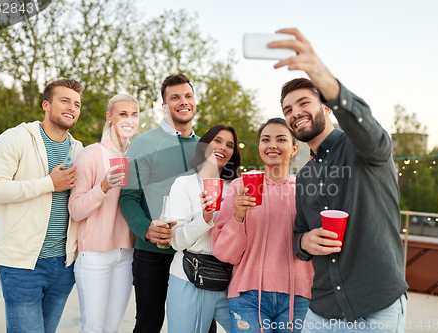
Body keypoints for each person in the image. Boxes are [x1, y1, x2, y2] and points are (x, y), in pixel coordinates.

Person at [270, 28, 408, 332]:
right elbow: (299, 235)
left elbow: (370, 131)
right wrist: (305, 241)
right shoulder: (304, 174)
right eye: (287, 110)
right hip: (321, 310)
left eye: (304, 102)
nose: (295, 113)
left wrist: (323, 78)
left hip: (377, 306)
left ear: (327, 106)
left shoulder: (362, 147)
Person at [0, 78, 84, 333]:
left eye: (77, 104)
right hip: (22, 265)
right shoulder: (16, 139)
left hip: (64, 265)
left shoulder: (79, 150)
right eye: (65, 101)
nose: (72, 107)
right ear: (46, 105)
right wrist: (47, 183)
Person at [212, 118, 315, 333]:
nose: (272, 145)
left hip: (298, 297)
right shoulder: (240, 187)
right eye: (265, 139)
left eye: (281, 139)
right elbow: (224, 253)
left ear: (294, 148)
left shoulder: (307, 190)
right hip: (248, 296)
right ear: (259, 146)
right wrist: (238, 216)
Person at [119, 74, 201, 333]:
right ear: (164, 105)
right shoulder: (143, 144)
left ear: (194, 101)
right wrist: (145, 229)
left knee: (201, 325)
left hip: (196, 253)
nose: (183, 102)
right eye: (174, 97)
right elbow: (128, 197)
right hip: (152, 254)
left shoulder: (206, 146)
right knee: (148, 325)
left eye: (187, 96)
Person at [68, 93, 139, 332]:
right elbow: (76, 210)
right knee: (93, 327)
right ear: (109, 117)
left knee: (113, 327)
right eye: (123, 114)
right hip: (94, 256)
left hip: (126, 255)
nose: (129, 120)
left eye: (134, 114)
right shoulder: (91, 154)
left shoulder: (137, 156)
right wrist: (104, 187)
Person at [166, 124, 241, 333]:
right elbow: (177, 242)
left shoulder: (235, 188)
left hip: (226, 280)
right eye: (217, 140)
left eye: (230, 145)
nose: (223, 147)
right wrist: (205, 217)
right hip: (189, 277)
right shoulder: (184, 184)